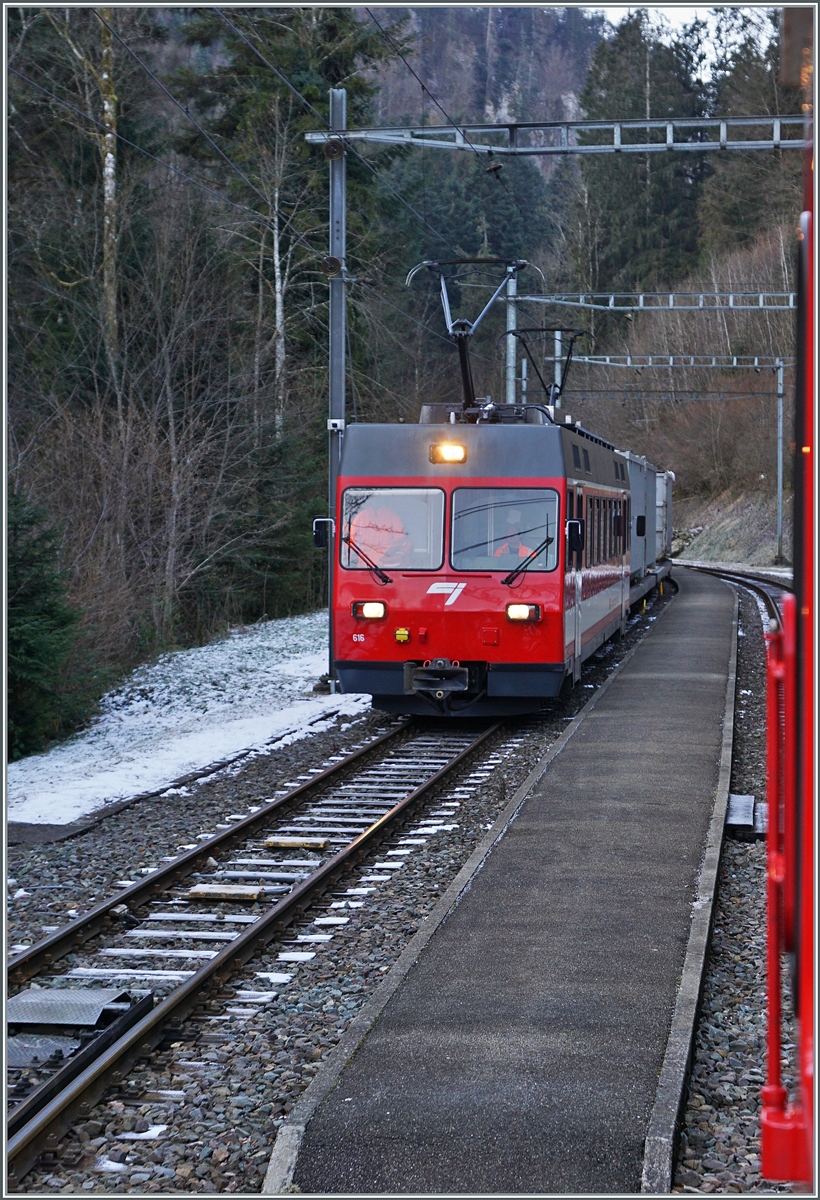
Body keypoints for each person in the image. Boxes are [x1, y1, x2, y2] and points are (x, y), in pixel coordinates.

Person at [349, 500, 412, 566]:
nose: (374, 501)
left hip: (387, 566)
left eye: (377, 498)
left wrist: (390, 555)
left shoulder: (392, 516)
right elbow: (352, 543)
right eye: (373, 498)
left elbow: (401, 540)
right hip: (365, 566)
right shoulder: (360, 517)